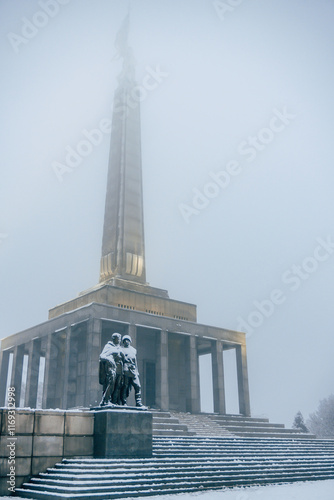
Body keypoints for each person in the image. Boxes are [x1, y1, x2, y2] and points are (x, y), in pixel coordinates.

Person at [99, 332, 125, 405]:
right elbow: (102, 356)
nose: (119, 340)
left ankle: (114, 401)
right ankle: (105, 400)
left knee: (118, 385)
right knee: (111, 383)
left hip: (120, 369)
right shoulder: (108, 346)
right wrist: (109, 360)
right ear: (114, 339)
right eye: (118, 339)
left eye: (120, 339)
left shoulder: (120, 348)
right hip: (112, 368)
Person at [120, 335, 143, 407]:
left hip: (133, 370)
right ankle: (124, 402)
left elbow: (135, 361)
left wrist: (137, 371)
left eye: (128, 340)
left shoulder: (133, 350)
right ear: (123, 342)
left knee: (138, 386)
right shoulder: (121, 349)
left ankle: (138, 402)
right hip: (125, 370)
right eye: (125, 340)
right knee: (125, 387)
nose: (127, 341)